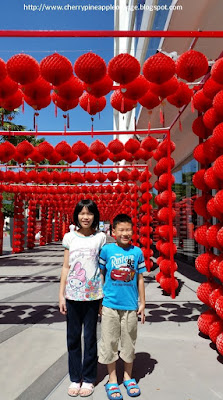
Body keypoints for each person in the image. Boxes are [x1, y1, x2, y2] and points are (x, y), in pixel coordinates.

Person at [59, 199, 106, 397]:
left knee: (90, 338)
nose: (85, 217)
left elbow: (102, 268)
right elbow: (66, 267)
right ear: (76, 216)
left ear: (95, 216)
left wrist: (104, 296)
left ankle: (88, 378)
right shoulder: (69, 237)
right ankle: (74, 378)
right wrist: (61, 294)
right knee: (73, 338)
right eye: (82, 213)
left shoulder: (101, 238)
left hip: (94, 295)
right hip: (72, 295)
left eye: (89, 213)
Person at [99, 214, 146, 399]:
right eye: (121, 230)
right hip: (109, 304)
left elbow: (140, 279)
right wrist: (99, 301)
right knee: (109, 342)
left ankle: (127, 376)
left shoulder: (137, 252)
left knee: (128, 341)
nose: (125, 233)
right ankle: (112, 379)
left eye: (128, 230)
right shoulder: (107, 250)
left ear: (133, 231)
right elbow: (100, 275)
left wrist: (142, 303)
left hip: (130, 306)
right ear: (113, 232)